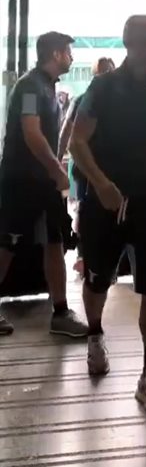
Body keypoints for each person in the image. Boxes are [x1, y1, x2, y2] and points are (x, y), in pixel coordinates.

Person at [70, 16, 146, 411]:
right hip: (105, 201)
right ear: (130, 43)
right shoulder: (104, 87)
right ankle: (95, 335)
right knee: (97, 280)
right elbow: (77, 142)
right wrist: (101, 184)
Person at [0, 32, 88, 338]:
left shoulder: (48, 87)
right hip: (22, 180)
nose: (72, 58)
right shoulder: (29, 86)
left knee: (55, 240)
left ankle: (61, 312)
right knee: (8, 243)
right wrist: (56, 168)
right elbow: (31, 133)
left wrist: (54, 169)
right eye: (68, 52)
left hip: (44, 181)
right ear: (56, 54)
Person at [58, 57, 115, 276]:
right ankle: (85, 253)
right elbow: (67, 132)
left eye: (109, 70)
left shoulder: (109, 100)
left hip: (104, 167)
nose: (107, 74)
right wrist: (57, 159)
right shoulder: (84, 100)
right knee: (85, 207)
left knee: (96, 208)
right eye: (104, 71)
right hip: (85, 166)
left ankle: (95, 255)